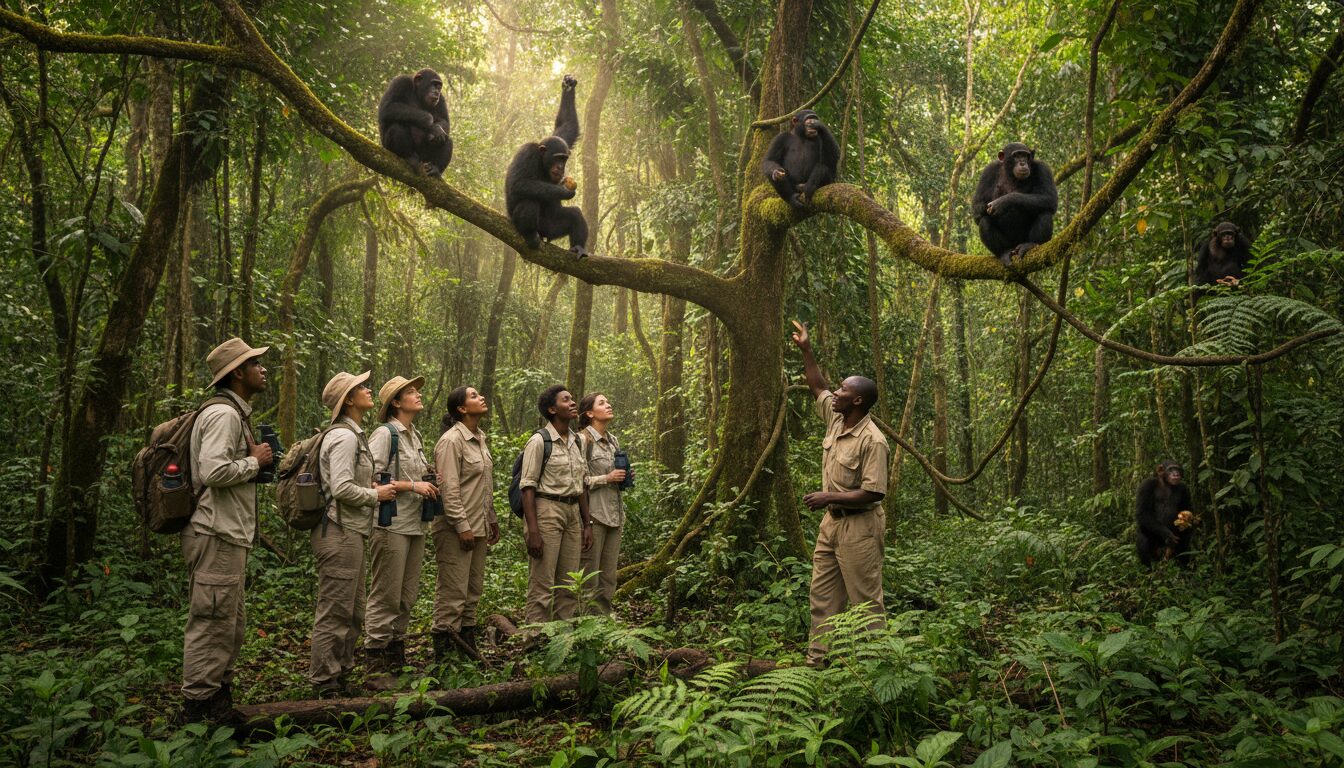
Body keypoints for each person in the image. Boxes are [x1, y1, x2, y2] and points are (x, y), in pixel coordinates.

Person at [180, 337, 273, 723]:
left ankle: (218, 699)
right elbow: (213, 471)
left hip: (228, 532)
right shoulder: (224, 415)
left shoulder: (236, 413)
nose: (263, 369)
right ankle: (199, 708)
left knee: (229, 623)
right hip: (215, 531)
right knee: (212, 619)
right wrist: (254, 462)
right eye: (255, 363)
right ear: (237, 373)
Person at [790, 320, 890, 665]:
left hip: (860, 528)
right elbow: (817, 385)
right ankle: (819, 661)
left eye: (843, 390)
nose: (836, 392)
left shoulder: (873, 440)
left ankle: (873, 667)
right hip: (831, 526)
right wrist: (807, 349)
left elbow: (874, 493)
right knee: (823, 595)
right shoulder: (836, 419)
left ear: (857, 400)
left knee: (865, 600)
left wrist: (827, 496)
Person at [308, 370, 396, 698]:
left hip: (351, 532)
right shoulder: (344, 436)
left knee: (354, 610)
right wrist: (377, 495)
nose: (368, 389)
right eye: (361, 387)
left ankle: (341, 674)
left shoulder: (354, 434)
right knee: (336, 611)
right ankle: (324, 684)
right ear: (348, 400)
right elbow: (341, 488)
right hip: (338, 531)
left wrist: (369, 489)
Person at [364, 375, 439, 680]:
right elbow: (370, 477)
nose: (417, 395)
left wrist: (428, 480)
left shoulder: (414, 435)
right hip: (391, 524)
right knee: (386, 594)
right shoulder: (385, 434)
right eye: (410, 392)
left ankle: (396, 654)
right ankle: (375, 662)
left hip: (415, 524)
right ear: (396, 402)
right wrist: (413, 485)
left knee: (407, 594)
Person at [431, 386, 501, 659]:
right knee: (453, 592)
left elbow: (482, 485)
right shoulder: (451, 441)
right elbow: (449, 489)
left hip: (479, 525)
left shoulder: (480, 438)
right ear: (461, 408)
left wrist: (491, 519)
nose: (481, 397)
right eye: (473, 396)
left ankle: (467, 651)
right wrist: (462, 525)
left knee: (473, 590)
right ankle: (445, 656)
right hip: (456, 528)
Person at [519, 385, 594, 626]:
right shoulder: (539, 441)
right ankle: (535, 639)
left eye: (572, 399)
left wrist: (587, 523)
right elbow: (527, 487)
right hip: (546, 510)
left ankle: (563, 639)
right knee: (543, 581)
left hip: (573, 512)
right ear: (552, 409)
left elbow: (581, 484)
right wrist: (533, 530)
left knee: (569, 582)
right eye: (566, 400)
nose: (573, 403)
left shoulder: (578, 441)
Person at [578, 392, 627, 615]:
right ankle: (585, 626)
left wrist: (624, 476)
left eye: (608, 401)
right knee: (589, 577)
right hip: (593, 516)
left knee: (609, 577)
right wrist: (607, 478)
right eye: (602, 403)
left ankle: (604, 626)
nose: (608, 405)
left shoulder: (613, 440)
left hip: (615, 515)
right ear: (589, 413)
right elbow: (577, 481)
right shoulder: (582, 440)